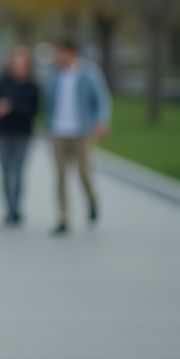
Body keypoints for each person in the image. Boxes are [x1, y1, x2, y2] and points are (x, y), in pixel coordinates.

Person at [46, 35, 112, 235]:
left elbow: (102, 99)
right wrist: (48, 127)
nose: (57, 56)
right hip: (58, 131)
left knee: (84, 172)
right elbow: (48, 103)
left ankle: (92, 200)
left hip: (82, 131)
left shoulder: (89, 74)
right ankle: (63, 218)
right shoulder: (54, 76)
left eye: (60, 52)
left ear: (70, 53)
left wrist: (102, 120)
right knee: (60, 176)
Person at [0, 46, 40, 225]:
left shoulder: (32, 86)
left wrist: (11, 107)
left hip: (22, 134)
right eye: (14, 63)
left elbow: (35, 111)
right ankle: (8, 208)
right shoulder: (2, 83)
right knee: (5, 172)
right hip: (3, 133)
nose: (17, 67)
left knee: (17, 172)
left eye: (21, 64)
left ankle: (16, 208)